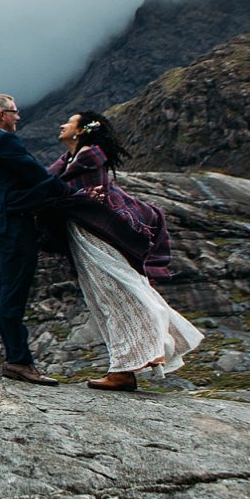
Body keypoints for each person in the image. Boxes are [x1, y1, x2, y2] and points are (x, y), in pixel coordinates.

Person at [44, 111, 204, 391]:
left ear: (80, 130)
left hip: (96, 232)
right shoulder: (72, 158)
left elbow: (60, 191)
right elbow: (53, 185)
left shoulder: (89, 156)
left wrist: (67, 197)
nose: (62, 125)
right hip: (83, 232)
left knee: (115, 289)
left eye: (69, 122)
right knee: (106, 293)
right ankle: (130, 364)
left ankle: (130, 363)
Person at [0, 94, 79, 385]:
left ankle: (17, 360)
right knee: (12, 295)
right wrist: (74, 193)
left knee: (10, 291)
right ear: (3, 115)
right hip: (12, 226)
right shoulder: (5, 141)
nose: (19, 117)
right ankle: (18, 361)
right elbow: (37, 176)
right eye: (15, 112)